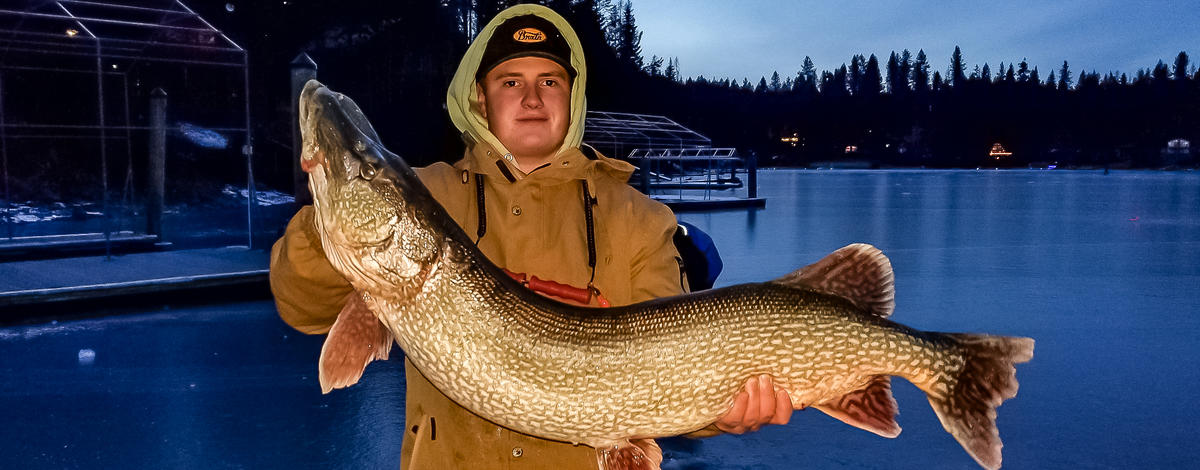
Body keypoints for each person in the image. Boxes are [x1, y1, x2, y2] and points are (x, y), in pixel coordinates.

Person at [270, 4, 791, 468]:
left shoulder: (639, 219)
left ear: (573, 96)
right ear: (480, 97)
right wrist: (327, 216)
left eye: (550, 81)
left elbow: (664, 379)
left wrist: (723, 413)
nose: (533, 98)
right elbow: (303, 307)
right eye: (510, 81)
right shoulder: (431, 193)